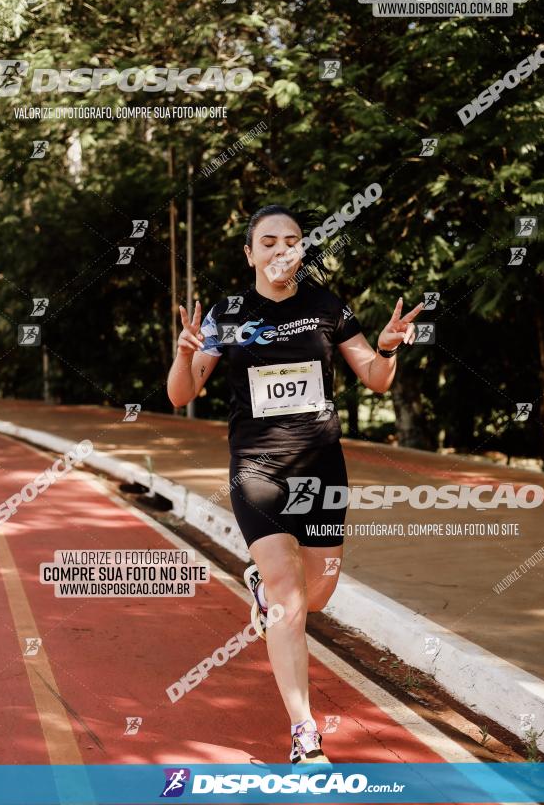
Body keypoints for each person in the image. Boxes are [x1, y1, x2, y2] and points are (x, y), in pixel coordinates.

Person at [167, 204, 423, 765]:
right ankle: (305, 734)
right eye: (269, 242)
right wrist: (186, 356)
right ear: (250, 253)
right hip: (257, 468)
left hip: (321, 469)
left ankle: (264, 586)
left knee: (318, 593)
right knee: (288, 600)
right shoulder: (228, 313)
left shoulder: (326, 307)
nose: (282, 250)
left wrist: (387, 347)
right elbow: (181, 395)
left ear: (303, 249)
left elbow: (376, 380)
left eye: (293, 241)